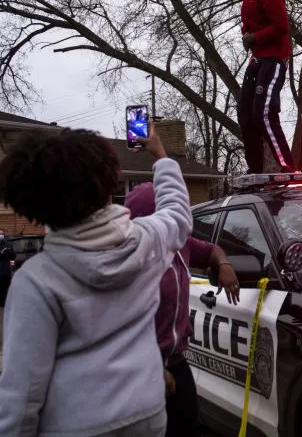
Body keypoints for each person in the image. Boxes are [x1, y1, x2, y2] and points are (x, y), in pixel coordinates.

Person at [0, 126, 192, 436]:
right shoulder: (147, 242)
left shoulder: (36, 280)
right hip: (147, 414)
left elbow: (23, 391)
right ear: (108, 182)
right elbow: (177, 213)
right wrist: (161, 157)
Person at [124, 183, 240, 437]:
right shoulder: (129, 260)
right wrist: (152, 368)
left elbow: (210, 250)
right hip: (139, 369)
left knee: (187, 422)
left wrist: (223, 263)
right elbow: (117, 324)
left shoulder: (180, 244)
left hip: (175, 360)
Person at [239, 0, 296, 174]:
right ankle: (254, 168)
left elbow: (281, 26)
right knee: (245, 115)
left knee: (263, 113)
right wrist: (246, 33)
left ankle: (287, 166)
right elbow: (250, 24)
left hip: (274, 58)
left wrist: (255, 37)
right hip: (256, 59)